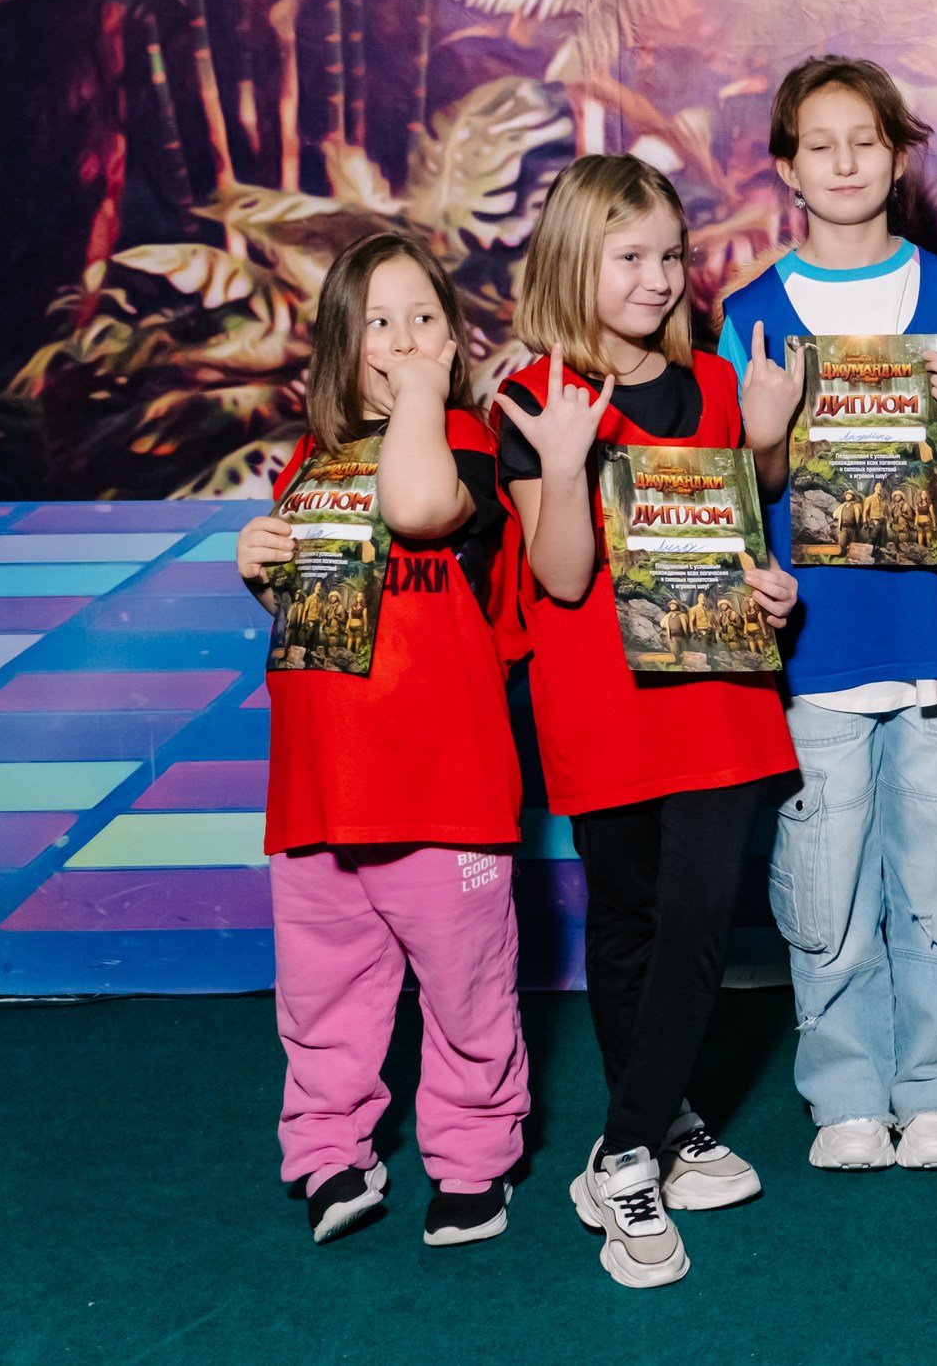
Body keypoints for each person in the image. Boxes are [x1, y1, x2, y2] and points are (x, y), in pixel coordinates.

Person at [493, 155, 802, 1289]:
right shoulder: (530, 397)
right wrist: (562, 460)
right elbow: (562, 577)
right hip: (601, 700)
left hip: (715, 693)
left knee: (699, 914)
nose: (659, 277)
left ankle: (620, 1153)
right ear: (573, 261)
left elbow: (736, 535)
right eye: (629, 256)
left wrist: (773, 577)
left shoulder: (714, 382)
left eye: (670, 254)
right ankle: (666, 1120)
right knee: (625, 918)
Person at [720, 57, 937, 1178]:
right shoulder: (750, 316)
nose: (845, 162)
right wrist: (763, 437)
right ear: (788, 170)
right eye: (819, 144)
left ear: (898, 156)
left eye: (866, 140)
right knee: (824, 886)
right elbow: (740, 499)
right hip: (817, 649)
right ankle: (843, 1089)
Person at [235, 232, 527, 1250]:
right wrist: (259, 566)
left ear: (454, 338)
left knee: (466, 991)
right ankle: (330, 1153)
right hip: (319, 789)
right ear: (337, 346)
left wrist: (421, 398)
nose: (403, 340)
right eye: (378, 323)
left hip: (443, 789)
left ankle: (473, 1160)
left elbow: (414, 506)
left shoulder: (471, 447)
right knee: (323, 995)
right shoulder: (307, 463)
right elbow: (314, 613)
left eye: (423, 318)